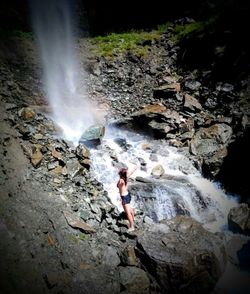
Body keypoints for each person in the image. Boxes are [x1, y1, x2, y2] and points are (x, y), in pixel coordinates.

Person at [117, 166, 138, 232]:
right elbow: (131, 172)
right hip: (127, 195)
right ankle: (133, 218)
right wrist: (135, 168)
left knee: (127, 213)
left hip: (124, 197)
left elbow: (120, 186)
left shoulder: (121, 180)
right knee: (129, 208)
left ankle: (132, 226)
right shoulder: (126, 177)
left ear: (120, 174)